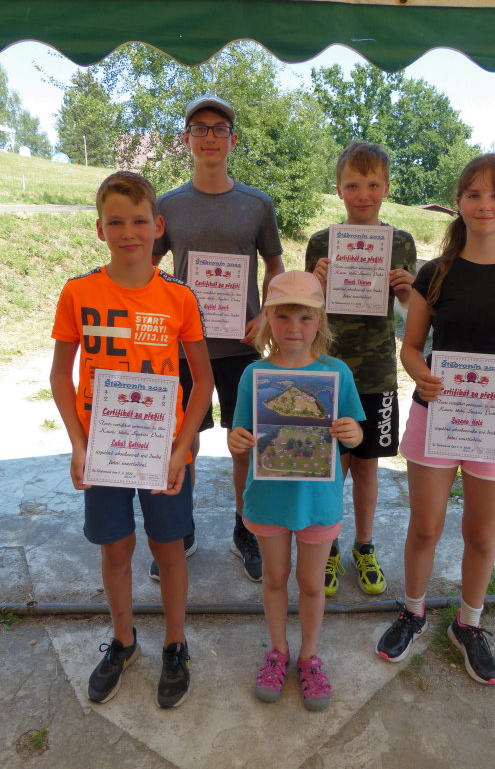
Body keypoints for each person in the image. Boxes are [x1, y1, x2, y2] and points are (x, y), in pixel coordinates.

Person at [376, 154, 495, 684]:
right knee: (425, 527)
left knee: (480, 535)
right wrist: (421, 374)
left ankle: (468, 623)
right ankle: (412, 612)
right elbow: (411, 346)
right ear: (459, 203)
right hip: (437, 417)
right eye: (474, 194)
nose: (485, 204)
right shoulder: (435, 273)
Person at [50, 171, 214, 708]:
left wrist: (182, 448)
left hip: (162, 452)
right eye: (116, 222)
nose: (128, 232)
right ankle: (123, 641)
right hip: (103, 450)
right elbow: (60, 375)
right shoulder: (78, 293)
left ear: (158, 226)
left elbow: (203, 381)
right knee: (115, 549)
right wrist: (78, 444)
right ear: (100, 229)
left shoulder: (179, 296)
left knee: (169, 549)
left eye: (139, 221)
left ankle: (175, 643)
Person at [150, 93, 285, 584]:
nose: (210, 137)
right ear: (186, 140)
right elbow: (149, 269)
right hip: (184, 351)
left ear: (233, 139)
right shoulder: (167, 205)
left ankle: (244, 530)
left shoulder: (257, 204)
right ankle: (179, 528)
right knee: (182, 442)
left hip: (240, 348)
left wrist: (266, 313)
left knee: (243, 444)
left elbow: (275, 266)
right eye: (200, 129)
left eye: (219, 128)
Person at [228, 271, 365, 711]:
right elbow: (239, 433)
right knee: (274, 578)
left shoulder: (336, 373)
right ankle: (277, 652)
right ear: (268, 318)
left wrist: (352, 433)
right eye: (283, 316)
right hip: (268, 499)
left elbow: (355, 432)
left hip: (318, 502)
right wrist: (236, 440)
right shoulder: (254, 374)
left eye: (305, 317)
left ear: (319, 321)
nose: (293, 328)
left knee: (310, 583)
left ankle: (308, 657)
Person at [305, 141, 416, 596]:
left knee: (367, 467)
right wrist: (315, 283)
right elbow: (305, 311)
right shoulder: (321, 243)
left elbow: (412, 309)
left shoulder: (401, 242)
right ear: (339, 189)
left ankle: (364, 546)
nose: (363, 194)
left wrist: (407, 289)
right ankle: (327, 547)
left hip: (376, 374)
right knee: (331, 467)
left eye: (372, 185)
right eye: (353, 185)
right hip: (326, 372)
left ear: (386, 188)